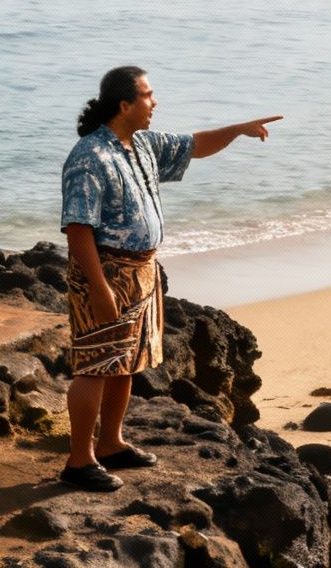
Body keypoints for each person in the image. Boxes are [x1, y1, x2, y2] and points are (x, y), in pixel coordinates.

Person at [58, 65, 281, 492]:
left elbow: (195, 145)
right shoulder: (90, 156)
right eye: (147, 95)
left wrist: (238, 129)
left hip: (141, 271)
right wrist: (100, 288)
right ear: (124, 104)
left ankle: (110, 444)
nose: (154, 102)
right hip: (105, 274)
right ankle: (78, 459)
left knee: (125, 364)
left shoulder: (141, 144)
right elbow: (78, 229)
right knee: (95, 366)